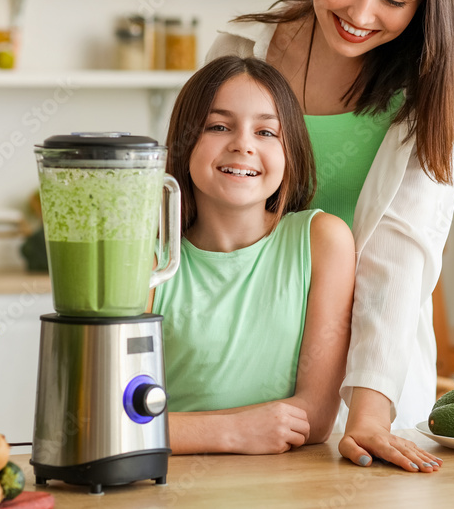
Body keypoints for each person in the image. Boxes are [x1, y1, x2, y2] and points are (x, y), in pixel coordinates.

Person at [205, 0, 454, 472]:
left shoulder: (431, 94)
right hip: (231, 365)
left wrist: (369, 414)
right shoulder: (242, 51)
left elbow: (399, 255)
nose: (360, 13)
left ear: (425, 2)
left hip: (366, 380)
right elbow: (194, 209)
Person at [149, 55, 356, 455]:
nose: (242, 144)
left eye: (266, 132)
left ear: (289, 151)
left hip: (288, 485)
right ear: (186, 140)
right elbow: (109, 421)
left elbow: (312, 419)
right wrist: (234, 431)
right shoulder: (147, 257)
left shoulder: (323, 241)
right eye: (219, 126)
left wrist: (176, 429)